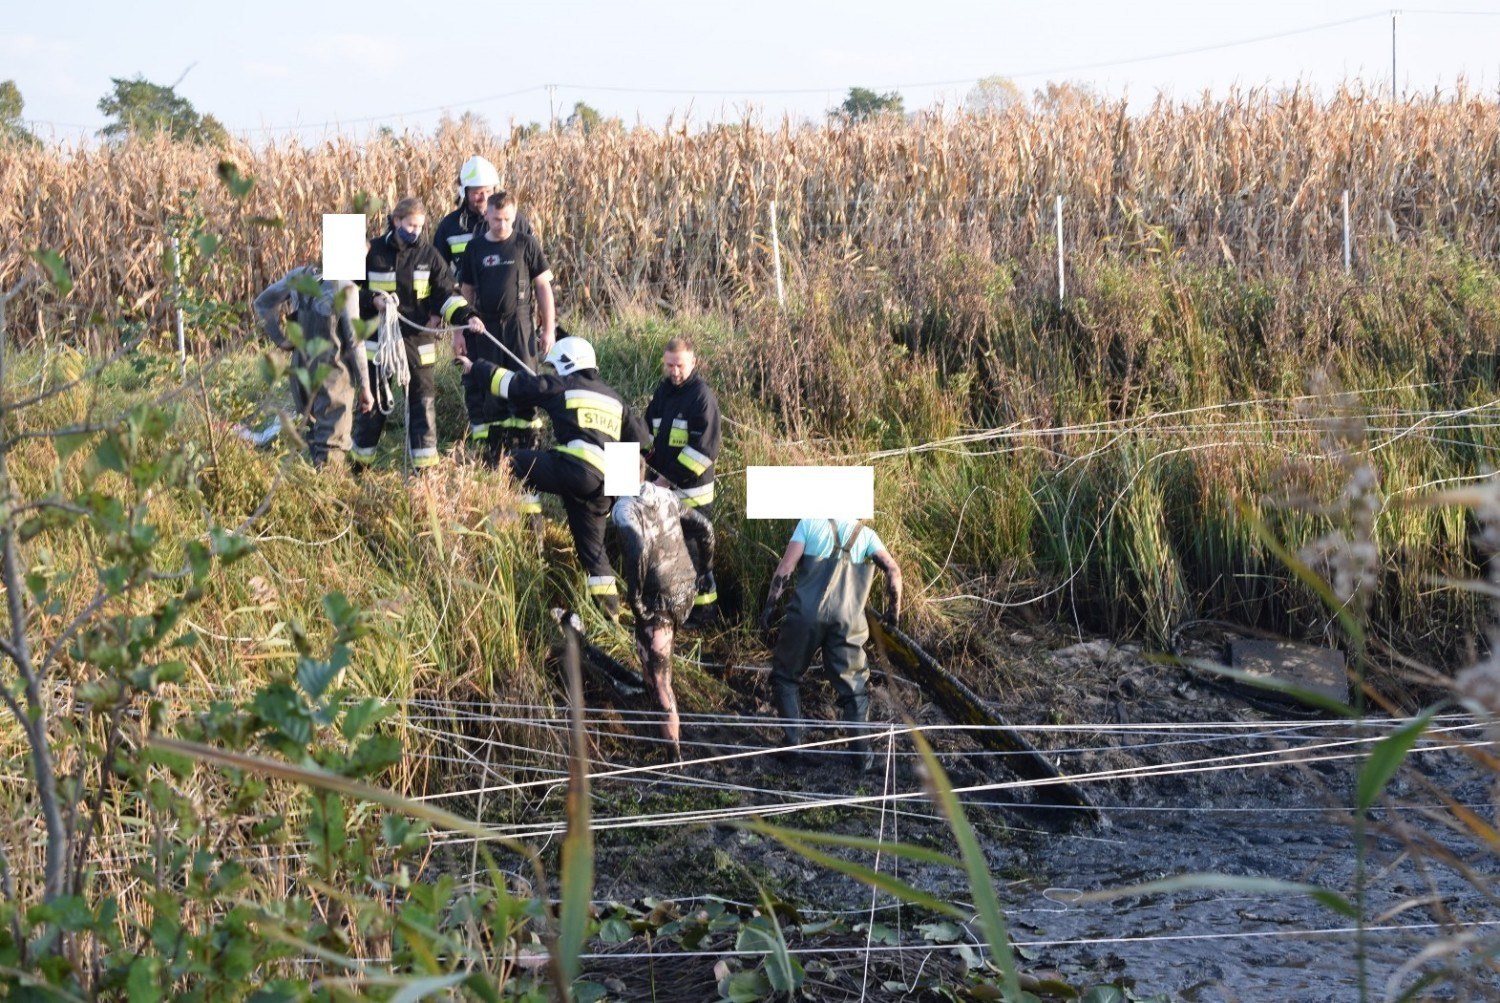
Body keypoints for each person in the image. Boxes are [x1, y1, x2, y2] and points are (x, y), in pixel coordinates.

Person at [458, 335, 647, 617]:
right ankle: (611, 616)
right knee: (594, 554)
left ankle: (529, 530)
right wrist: (617, 497)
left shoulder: (564, 385)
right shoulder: (614, 399)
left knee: (514, 461)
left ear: (567, 364)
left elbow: (512, 385)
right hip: (602, 489)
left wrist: (475, 368)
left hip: (575, 471)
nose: (554, 372)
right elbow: (639, 442)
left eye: (556, 367)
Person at [760, 519, 903, 771]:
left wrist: (770, 605)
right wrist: (894, 613)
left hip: (805, 615)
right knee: (854, 688)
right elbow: (893, 571)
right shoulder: (866, 535)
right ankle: (862, 757)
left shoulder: (808, 524)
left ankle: (793, 746)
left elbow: (786, 568)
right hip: (848, 621)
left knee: (785, 676)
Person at [350, 197, 473, 472]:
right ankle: (360, 466)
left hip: (418, 341)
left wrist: (467, 317)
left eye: (419, 226)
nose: (415, 231)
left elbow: (446, 293)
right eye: (410, 225)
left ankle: (424, 471)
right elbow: (344, 291)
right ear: (396, 221)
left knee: (423, 405)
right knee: (373, 405)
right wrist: (371, 300)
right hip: (378, 343)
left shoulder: (428, 255)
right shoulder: (373, 251)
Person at [457, 192, 555, 501]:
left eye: (508, 219)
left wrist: (548, 329)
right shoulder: (474, 248)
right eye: (497, 219)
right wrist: (460, 330)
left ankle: (529, 455)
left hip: (520, 325)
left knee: (526, 388)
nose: (502, 225)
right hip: (485, 328)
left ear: (515, 216)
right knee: (492, 390)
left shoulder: (526, 244)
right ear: (486, 215)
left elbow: (543, 287)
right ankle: (494, 462)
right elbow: (466, 292)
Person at [610, 482, 716, 759]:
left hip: (659, 600)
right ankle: (655, 717)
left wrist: (634, 599)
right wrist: (706, 569)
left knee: (661, 683)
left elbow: (638, 550)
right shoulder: (665, 495)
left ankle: (673, 758)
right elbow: (705, 528)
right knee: (649, 655)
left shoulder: (624, 509)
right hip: (686, 590)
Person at [253, 266, 374, 468]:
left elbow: (262, 303)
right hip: (333, 381)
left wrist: (280, 340)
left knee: (314, 439)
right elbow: (355, 343)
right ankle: (328, 486)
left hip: (301, 375)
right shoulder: (345, 288)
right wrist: (365, 387)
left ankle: (317, 481)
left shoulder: (300, 275)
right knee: (332, 449)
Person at [643, 336, 721, 622]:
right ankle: (681, 610)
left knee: (694, 555)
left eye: (680, 366)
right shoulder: (663, 393)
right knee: (671, 556)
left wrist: (665, 480)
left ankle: (704, 613)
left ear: (693, 362)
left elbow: (703, 451)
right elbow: (647, 435)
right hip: (665, 493)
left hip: (692, 496)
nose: (674, 371)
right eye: (669, 365)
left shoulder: (701, 397)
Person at [434, 155, 534, 275]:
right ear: (464, 192)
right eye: (478, 192)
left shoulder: (515, 220)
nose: (485, 198)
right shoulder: (449, 226)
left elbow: (535, 263)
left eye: (488, 191)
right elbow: (438, 272)